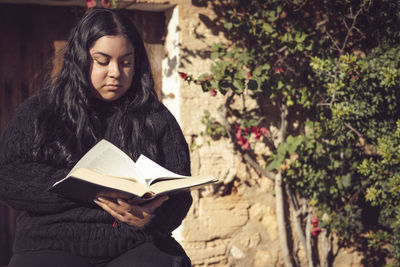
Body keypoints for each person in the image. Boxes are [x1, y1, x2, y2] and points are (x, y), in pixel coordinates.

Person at [0, 7, 192, 267]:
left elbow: (179, 195)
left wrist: (149, 218)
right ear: (81, 59)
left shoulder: (156, 117)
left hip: (133, 240)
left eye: (126, 62)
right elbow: (9, 176)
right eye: (102, 61)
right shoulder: (41, 112)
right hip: (50, 241)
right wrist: (80, 186)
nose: (115, 72)